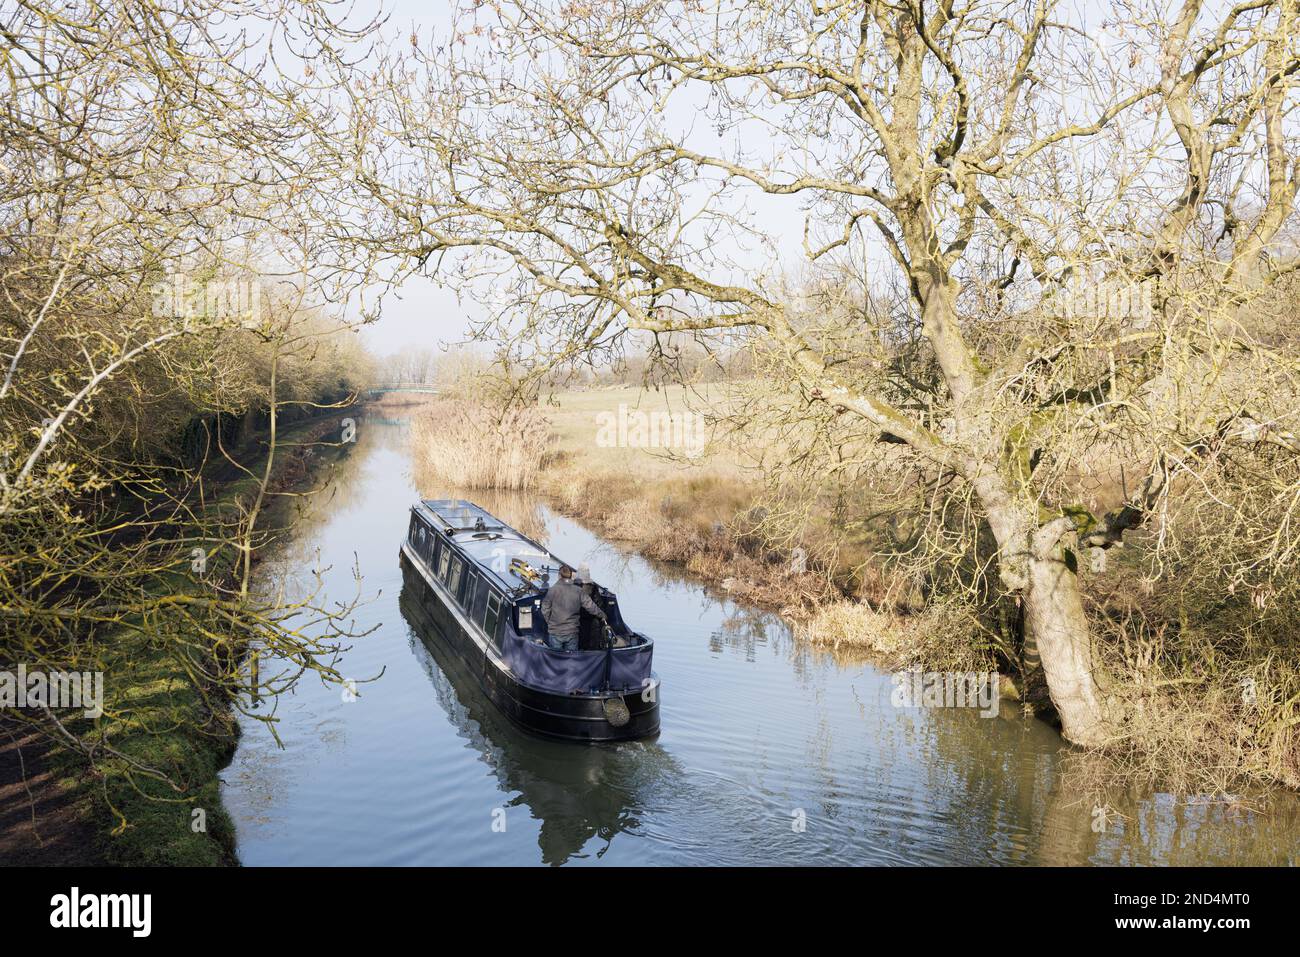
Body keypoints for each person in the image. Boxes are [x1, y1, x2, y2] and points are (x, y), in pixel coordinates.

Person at [540, 564, 607, 652]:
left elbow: (545, 609)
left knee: (556, 659)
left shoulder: (552, 590)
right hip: (572, 632)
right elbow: (591, 606)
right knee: (572, 660)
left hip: (555, 632)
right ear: (571, 576)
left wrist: (551, 622)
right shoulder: (578, 591)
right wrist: (602, 615)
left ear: (559, 576)